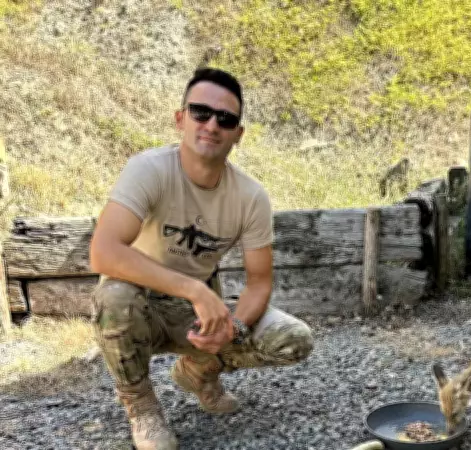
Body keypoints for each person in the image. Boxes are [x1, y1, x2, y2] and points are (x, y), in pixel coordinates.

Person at [88, 67, 314, 450]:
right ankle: (141, 407)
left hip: (195, 317)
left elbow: (260, 282)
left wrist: (235, 328)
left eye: (225, 119)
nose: (212, 125)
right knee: (114, 298)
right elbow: (104, 252)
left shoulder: (250, 197)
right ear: (181, 118)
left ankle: (198, 371)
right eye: (201, 112)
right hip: (139, 307)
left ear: (238, 134)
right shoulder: (149, 169)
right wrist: (194, 289)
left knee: (293, 339)